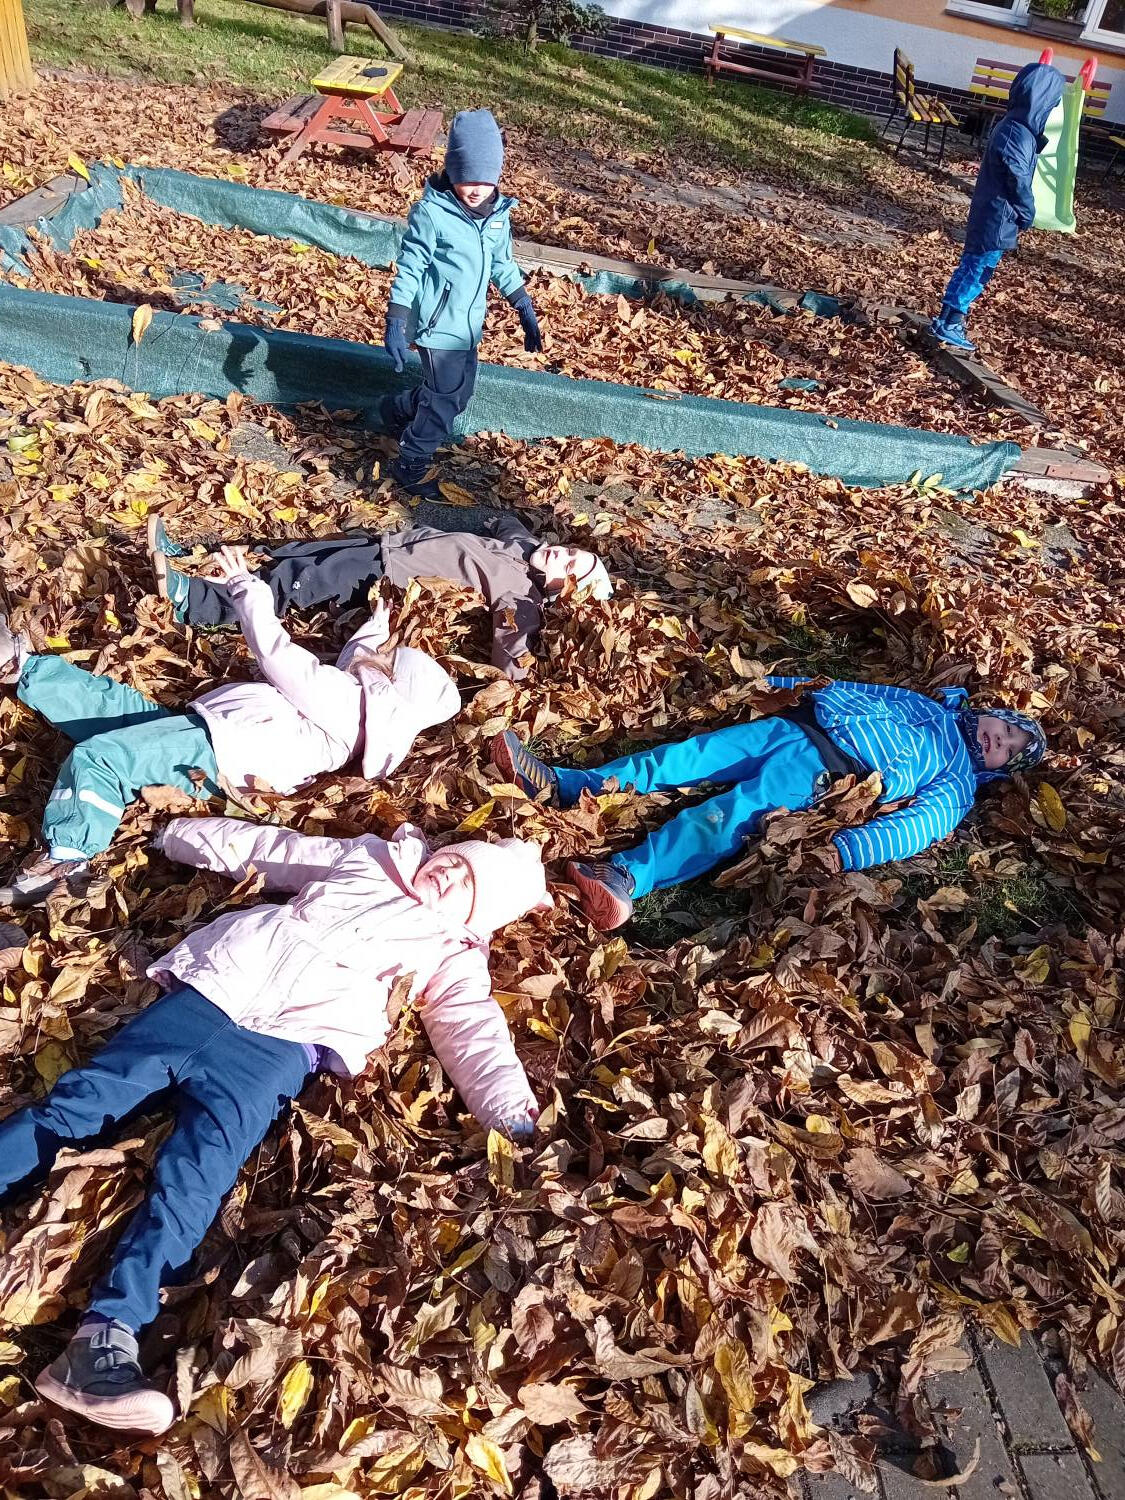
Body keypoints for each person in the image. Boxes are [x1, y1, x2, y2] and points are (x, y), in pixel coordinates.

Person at [0, 816, 551, 1434]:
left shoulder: (452, 954)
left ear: (476, 916)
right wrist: (180, 834)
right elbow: (273, 849)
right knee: (78, 1106)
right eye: (453, 858)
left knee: (196, 1177)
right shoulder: (370, 859)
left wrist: (510, 1116)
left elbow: (472, 1029)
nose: (447, 871)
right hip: (209, 996)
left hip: (279, 1051)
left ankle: (105, 1338)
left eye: (465, 882)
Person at [0, 546, 461, 907]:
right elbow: (354, 660)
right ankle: (23, 668)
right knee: (122, 710)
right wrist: (376, 625)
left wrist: (246, 588)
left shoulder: (345, 702)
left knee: (103, 758)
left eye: (385, 662)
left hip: (214, 750)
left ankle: (65, 859)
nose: (372, 661)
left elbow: (279, 655)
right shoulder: (359, 713)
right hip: (213, 740)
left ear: (385, 685)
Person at [491, 675, 1048, 930]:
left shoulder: (956, 782)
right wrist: (781, 682)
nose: (998, 741)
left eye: (1007, 751)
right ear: (992, 714)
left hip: (824, 774)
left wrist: (853, 849)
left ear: (999, 769)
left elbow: (919, 826)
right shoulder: (924, 705)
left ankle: (626, 877)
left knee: (725, 819)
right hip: (793, 725)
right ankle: (570, 785)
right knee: (683, 757)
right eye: (1005, 729)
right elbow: (852, 688)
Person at [147, 513, 613, 682]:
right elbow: (512, 526)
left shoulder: (522, 596)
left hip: (384, 576)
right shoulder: (526, 547)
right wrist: (500, 521)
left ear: (563, 591)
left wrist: (511, 681)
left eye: (571, 568)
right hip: (382, 545)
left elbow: (512, 649)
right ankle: (191, 555)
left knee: (297, 582)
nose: (563, 555)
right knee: (293, 553)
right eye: (572, 551)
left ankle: (194, 602)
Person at [382, 107, 541, 499]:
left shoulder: (497, 214)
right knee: (446, 399)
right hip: (438, 326)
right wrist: (396, 318)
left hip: (468, 327)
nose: (476, 189)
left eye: (486, 180)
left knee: (458, 393)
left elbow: (502, 263)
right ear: (452, 170)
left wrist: (522, 304)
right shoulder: (433, 214)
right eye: (467, 177)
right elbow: (411, 267)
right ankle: (411, 461)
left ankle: (399, 409)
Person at [931, 61, 1065, 353]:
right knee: (977, 269)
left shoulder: (1018, 129)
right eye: (1053, 101)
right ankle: (950, 322)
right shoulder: (1017, 132)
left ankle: (948, 319)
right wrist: (1027, 211)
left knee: (975, 266)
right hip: (998, 215)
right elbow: (1016, 176)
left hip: (996, 213)